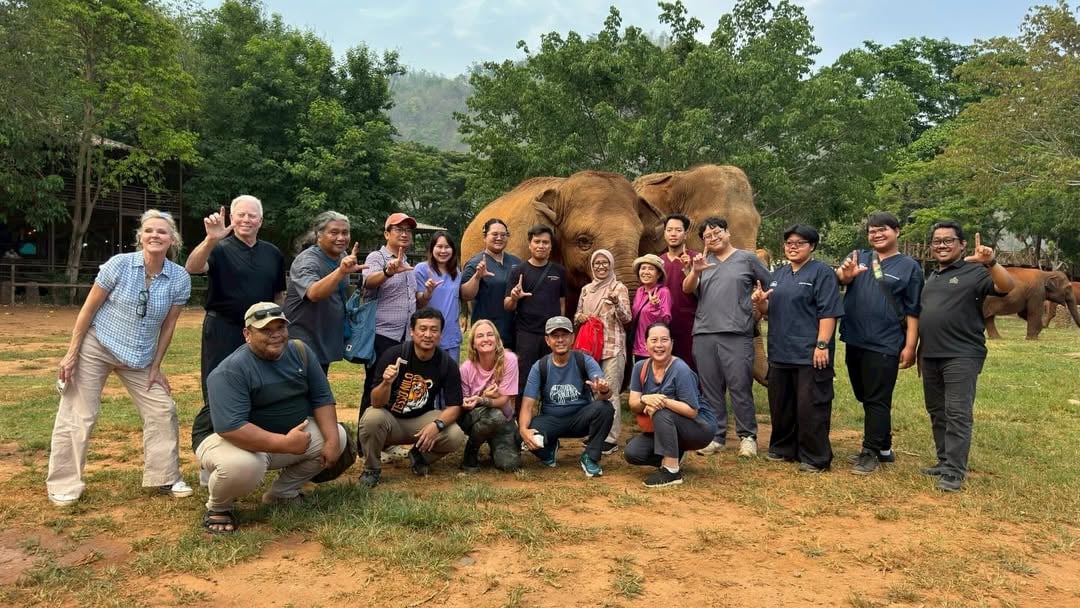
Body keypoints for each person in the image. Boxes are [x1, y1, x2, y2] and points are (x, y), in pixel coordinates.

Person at [47, 210, 192, 507]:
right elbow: (87, 310)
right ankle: (64, 483)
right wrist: (71, 353)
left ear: (172, 239)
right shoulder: (119, 265)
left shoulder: (179, 278)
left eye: (162, 232)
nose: (155, 235)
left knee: (162, 409)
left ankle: (164, 476)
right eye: (149, 230)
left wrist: (156, 367)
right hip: (98, 346)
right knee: (79, 414)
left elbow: (168, 327)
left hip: (140, 356)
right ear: (140, 236)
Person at [193, 302, 347, 534]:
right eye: (266, 330)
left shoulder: (301, 352)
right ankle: (219, 507)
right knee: (243, 466)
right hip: (226, 438)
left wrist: (333, 442)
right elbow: (231, 427)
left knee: (338, 436)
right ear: (247, 334)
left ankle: (282, 494)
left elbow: (322, 398)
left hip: (283, 437)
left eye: (281, 328)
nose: (276, 335)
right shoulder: (231, 370)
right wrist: (283, 444)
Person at [185, 195, 286, 454]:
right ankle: (211, 446)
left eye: (252, 215)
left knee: (258, 385)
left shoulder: (272, 253)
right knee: (218, 385)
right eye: (240, 214)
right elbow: (193, 267)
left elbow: (278, 295)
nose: (246, 219)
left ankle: (251, 444)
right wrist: (210, 239)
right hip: (223, 329)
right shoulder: (219, 248)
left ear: (260, 221)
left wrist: (278, 328)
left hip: (259, 332)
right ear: (231, 218)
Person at [917, 221, 1013, 492]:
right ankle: (944, 460)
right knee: (937, 410)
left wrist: (991, 262)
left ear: (961, 244)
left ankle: (954, 471)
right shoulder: (933, 276)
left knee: (957, 412)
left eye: (948, 240)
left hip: (961, 354)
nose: (942, 245)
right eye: (937, 241)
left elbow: (1007, 287)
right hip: (931, 354)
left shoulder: (975, 272)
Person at [835, 212, 924, 475]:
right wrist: (846, 275)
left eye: (882, 230)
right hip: (854, 338)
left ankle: (870, 451)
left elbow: (913, 311)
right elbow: (839, 278)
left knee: (877, 398)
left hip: (886, 341)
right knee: (864, 394)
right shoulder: (858, 257)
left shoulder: (909, 267)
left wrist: (910, 346)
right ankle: (884, 447)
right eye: (872, 231)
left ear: (897, 231)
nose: (876, 234)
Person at [754, 224, 844, 473]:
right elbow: (770, 312)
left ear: (812, 246)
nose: (793, 247)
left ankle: (815, 456)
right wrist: (761, 304)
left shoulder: (822, 273)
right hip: (781, 350)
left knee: (810, 405)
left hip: (809, 351)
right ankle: (784, 448)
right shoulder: (779, 275)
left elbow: (829, 312)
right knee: (781, 403)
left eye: (800, 243)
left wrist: (822, 344)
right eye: (789, 243)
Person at [682, 217, 772, 458]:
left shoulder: (747, 259)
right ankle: (716, 436)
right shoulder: (702, 262)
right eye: (707, 236)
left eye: (717, 232)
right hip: (704, 333)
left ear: (727, 233)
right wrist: (695, 270)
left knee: (740, 386)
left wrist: (760, 302)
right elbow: (687, 288)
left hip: (737, 332)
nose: (713, 238)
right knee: (710, 388)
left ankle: (747, 437)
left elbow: (769, 285)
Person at [356, 308, 466, 488]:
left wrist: (436, 426)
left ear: (440, 334)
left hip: (420, 421)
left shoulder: (446, 363)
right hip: (390, 420)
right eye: (422, 329)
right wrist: (386, 383)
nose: (428, 334)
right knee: (371, 418)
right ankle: (371, 469)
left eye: (434, 329)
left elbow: (455, 406)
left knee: (455, 434)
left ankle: (419, 456)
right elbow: (376, 402)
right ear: (412, 332)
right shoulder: (393, 355)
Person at [518, 316, 614, 477]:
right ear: (548, 340)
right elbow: (527, 405)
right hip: (552, 420)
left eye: (565, 335)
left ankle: (590, 457)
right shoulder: (540, 366)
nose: (560, 340)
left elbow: (604, 392)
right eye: (555, 336)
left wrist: (603, 390)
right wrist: (522, 430)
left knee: (605, 408)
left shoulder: (584, 360)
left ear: (572, 338)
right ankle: (548, 452)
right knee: (522, 432)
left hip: (580, 419)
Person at [625, 322, 717, 487]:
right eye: (654, 340)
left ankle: (671, 471)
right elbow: (633, 403)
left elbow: (692, 411)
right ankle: (676, 453)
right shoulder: (640, 367)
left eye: (664, 340)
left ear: (672, 344)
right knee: (633, 453)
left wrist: (662, 401)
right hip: (670, 427)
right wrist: (645, 399)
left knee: (662, 412)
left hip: (700, 427)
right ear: (645, 344)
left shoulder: (681, 370)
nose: (659, 345)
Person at [283, 211, 366, 375]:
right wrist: (341, 272)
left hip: (324, 337)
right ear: (319, 235)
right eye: (334, 232)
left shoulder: (342, 256)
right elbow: (313, 293)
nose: (341, 238)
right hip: (303, 340)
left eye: (345, 232)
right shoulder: (307, 261)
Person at [359, 212, 419, 409]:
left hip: (404, 337)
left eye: (408, 230)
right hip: (382, 334)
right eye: (399, 229)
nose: (405, 234)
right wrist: (387, 272)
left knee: (396, 387)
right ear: (386, 234)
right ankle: (366, 437)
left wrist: (426, 294)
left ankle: (387, 434)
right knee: (375, 386)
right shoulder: (377, 257)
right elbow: (368, 282)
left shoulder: (408, 263)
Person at [574, 249, 630, 455]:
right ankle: (597, 433)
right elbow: (578, 313)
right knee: (593, 392)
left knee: (611, 392)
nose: (600, 266)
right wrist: (579, 317)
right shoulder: (586, 289)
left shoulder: (619, 288)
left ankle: (611, 438)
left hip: (612, 348)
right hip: (591, 348)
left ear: (611, 264)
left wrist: (616, 302)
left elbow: (626, 318)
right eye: (596, 263)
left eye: (605, 262)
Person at [504, 225, 566, 403]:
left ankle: (550, 416)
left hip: (551, 335)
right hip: (526, 334)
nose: (541, 246)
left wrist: (559, 330)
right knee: (524, 377)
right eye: (537, 242)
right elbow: (507, 305)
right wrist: (514, 297)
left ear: (551, 246)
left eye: (545, 242)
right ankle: (521, 420)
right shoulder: (518, 271)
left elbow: (562, 302)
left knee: (553, 376)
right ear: (529, 245)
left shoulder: (559, 272)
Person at [458, 319, 521, 472]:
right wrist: (480, 399)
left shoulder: (509, 360)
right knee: (494, 416)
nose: (486, 339)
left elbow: (506, 403)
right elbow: (464, 406)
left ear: (497, 340)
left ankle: (498, 446)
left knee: (509, 465)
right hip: (476, 417)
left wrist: (485, 398)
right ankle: (470, 453)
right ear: (473, 343)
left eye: (489, 334)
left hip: (504, 418)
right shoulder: (466, 368)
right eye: (480, 336)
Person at [461, 218, 521, 350]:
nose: (499, 238)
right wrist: (477, 277)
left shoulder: (516, 262)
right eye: (494, 234)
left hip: (514, 332)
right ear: (484, 236)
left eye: (503, 235)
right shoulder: (475, 263)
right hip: (487, 334)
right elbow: (465, 295)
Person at [415, 231, 463, 360]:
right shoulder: (422, 269)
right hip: (428, 335)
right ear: (432, 249)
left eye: (447, 247)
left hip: (451, 335)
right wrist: (428, 292)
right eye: (439, 246)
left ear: (453, 250)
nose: (443, 251)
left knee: (450, 376)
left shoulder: (457, 273)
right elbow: (419, 302)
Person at [658, 213, 699, 369]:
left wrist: (691, 269)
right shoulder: (658, 262)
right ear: (664, 233)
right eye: (669, 230)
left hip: (690, 325)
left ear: (686, 234)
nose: (673, 234)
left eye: (678, 230)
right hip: (664, 326)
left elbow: (702, 292)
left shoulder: (696, 259)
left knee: (691, 368)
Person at [631, 254, 672, 363]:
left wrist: (656, 306)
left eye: (651, 269)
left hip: (654, 349)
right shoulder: (639, 291)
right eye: (643, 268)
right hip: (637, 348)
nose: (646, 272)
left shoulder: (663, 292)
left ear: (658, 274)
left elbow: (666, 321)